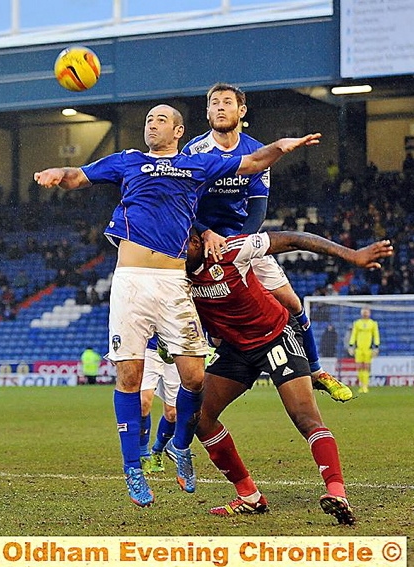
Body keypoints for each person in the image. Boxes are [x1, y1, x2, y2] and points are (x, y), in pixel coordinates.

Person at [34, 103, 321, 507]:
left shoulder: (197, 166)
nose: (152, 124)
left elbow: (254, 161)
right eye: (148, 119)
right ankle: (133, 468)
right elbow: (77, 175)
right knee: (130, 378)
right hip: (131, 281)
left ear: (179, 130)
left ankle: (180, 445)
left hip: (173, 281)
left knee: (195, 376)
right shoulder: (128, 161)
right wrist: (55, 174)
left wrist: (281, 146)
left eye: (160, 119)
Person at [185, 228, 392, 523]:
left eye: (180, 246)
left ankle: (336, 492)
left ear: (197, 242)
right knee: (199, 418)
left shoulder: (233, 250)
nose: (174, 253)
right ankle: (249, 496)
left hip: (275, 336)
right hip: (237, 349)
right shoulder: (173, 274)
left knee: (305, 418)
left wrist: (352, 255)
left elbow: (294, 239)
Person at [182, 82, 352, 403]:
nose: (220, 107)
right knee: (183, 299)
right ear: (207, 112)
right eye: (214, 103)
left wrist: (239, 244)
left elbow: (258, 206)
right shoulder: (194, 151)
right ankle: (202, 348)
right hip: (198, 240)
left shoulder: (258, 152)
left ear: (241, 111)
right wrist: (205, 233)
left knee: (292, 303)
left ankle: (316, 370)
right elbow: (184, 205)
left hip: (242, 239)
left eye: (227, 102)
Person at [140, 335, 180, 474]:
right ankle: (143, 455)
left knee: (172, 413)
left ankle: (157, 451)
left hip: (175, 351)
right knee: (143, 403)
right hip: (149, 350)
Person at [348, 308, 380, 393]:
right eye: (364, 312)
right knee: (359, 367)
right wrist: (351, 345)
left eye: (367, 312)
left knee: (366, 367)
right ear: (361, 313)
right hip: (359, 349)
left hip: (368, 349)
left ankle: (365, 386)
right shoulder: (357, 323)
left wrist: (376, 346)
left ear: (369, 313)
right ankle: (361, 385)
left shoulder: (373, 323)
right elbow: (354, 335)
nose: (365, 314)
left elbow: (376, 335)